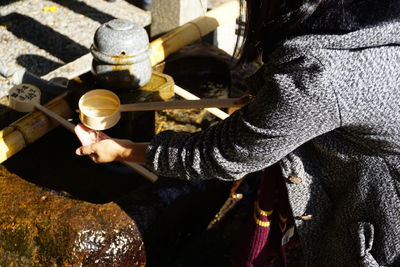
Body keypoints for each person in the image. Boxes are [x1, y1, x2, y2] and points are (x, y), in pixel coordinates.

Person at [75, 0, 400, 265]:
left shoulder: (318, 75)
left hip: (371, 224)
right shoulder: (377, 20)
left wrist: (122, 150)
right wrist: (267, 98)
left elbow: (224, 154)